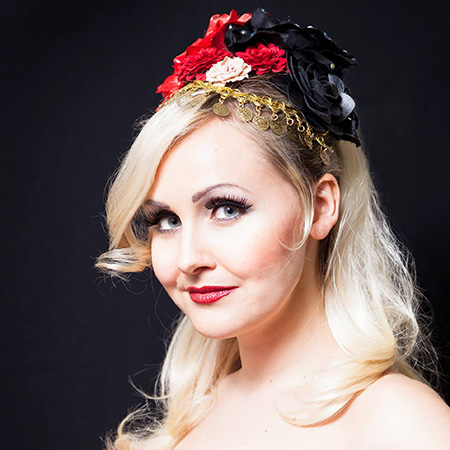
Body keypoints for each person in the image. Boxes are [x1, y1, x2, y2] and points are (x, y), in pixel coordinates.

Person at [96, 7, 450, 450]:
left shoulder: (400, 423)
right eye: (166, 221)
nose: (187, 260)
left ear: (320, 207)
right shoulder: (196, 411)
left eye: (226, 209)